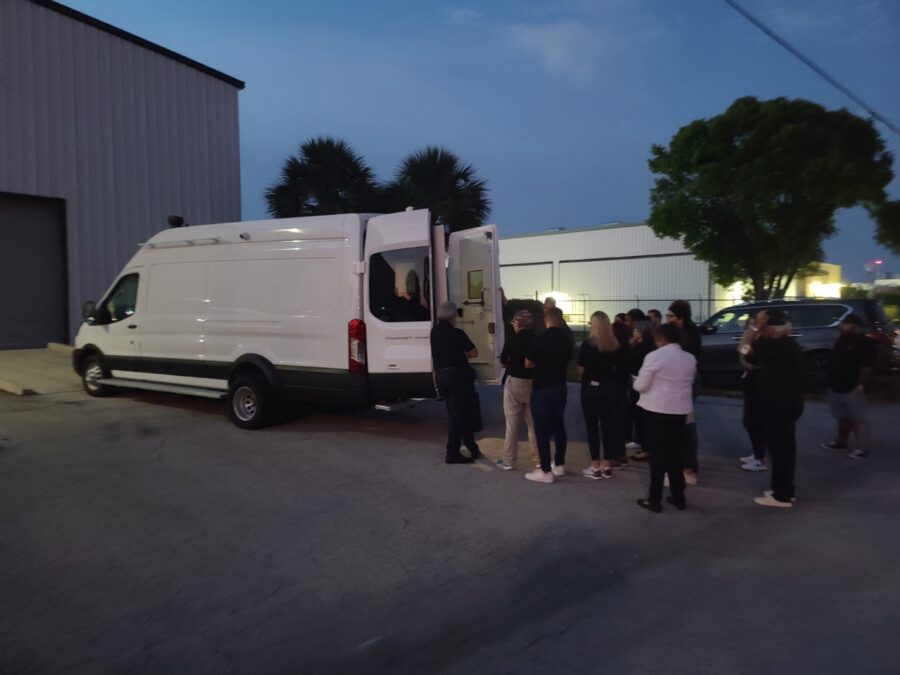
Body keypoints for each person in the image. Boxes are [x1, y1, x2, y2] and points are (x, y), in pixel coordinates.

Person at [743, 309, 804, 508]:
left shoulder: (776, 346)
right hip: (787, 403)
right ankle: (785, 490)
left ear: (771, 328)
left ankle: (781, 495)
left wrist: (754, 327)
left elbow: (743, 349)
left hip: (778, 404)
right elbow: (749, 358)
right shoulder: (787, 344)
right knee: (783, 449)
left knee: (780, 450)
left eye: (765, 327)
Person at [633, 323, 697, 512]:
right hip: (680, 410)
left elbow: (641, 386)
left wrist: (637, 381)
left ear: (660, 339)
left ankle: (654, 499)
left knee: (658, 456)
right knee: (676, 455)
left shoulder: (654, 356)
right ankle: (679, 497)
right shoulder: (689, 358)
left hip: (657, 410)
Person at [524, 307, 573, 483]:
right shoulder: (567, 340)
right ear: (560, 320)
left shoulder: (539, 339)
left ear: (546, 320)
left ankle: (545, 470)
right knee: (559, 426)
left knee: (542, 429)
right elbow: (568, 361)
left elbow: (528, 363)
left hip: (542, 388)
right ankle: (559, 464)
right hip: (560, 386)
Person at [577, 311, 628, 480]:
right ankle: (607, 464)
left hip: (592, 388)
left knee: (592, 427)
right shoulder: (615, 345)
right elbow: (622, 368)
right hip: (610, 389)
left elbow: (581, 369)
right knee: (608, 426)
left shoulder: (588, 345)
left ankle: (595, 465)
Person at [821, 314, 877, 460]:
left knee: (858, 419)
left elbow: (866, 368)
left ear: (856, 327)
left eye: (845, 324)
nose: (842, 327)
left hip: (852, 387)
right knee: (843, 417)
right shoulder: (841, 340)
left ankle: (862, 448)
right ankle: (841, 441)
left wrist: (861, 385)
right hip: (836, 385)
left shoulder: (865, 344)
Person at [430, 302, 480, 464]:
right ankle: (452, 452)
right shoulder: (457, 333)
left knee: (458, 413)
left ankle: (472, 447)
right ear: (453, 317)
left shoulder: (434, 332)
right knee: (458, 415)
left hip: (441, 376)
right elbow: (474, 352)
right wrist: (462, 356)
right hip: (457, 377)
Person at [667, 300, 701, 484]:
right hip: (684, 381)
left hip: (686, 382)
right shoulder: (688, 332)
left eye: (670, 316)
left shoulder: (688, 335)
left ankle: (688, 468)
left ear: (680, 317)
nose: (668, 319)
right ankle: (685, 465)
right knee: (684, 423)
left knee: (686, 424)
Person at [498, 310, 538, 470]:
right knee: (533, 424)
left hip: (514, 382)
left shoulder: (512, 340)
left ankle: (508, 460)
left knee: (512, 423)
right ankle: (539, 458)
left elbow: (502, 362)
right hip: (533, 383)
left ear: (518, 324)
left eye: (514, 323)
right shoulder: (537, 340)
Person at [737, 312, 767, 472]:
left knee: (755, 421)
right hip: (750, 382)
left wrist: (753, 330)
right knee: (749, 420)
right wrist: (743, 361)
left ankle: (760, 457)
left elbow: (743, 347)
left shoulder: (763, 341)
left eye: (752, 324)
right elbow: (743, 352)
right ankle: (756, 453)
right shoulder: (754, 340)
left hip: (759, 385)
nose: (748, 328)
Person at [626, 320, 656, 460]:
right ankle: (648, 446)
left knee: (639, 416)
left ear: (640, 332)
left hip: (639, 381)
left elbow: (631, 362)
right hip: (649, 383)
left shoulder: (640, 347)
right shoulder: (652, 344)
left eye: (635, 330)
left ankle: (646, 448)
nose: (633, 332)